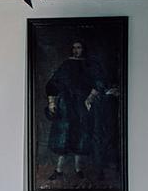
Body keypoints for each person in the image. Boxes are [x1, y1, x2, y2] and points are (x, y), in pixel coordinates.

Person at [44, 39, 106, 180]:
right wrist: (52, 102)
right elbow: (53, 83)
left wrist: (89, 99)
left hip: (82, 105)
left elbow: (99, 82)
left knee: (81, 135)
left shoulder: (90, 65)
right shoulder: (66, 65)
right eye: (74, 47)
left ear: (84, 49)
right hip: (65, 104)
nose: (76, 50)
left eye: (79, 47)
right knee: (63, 135)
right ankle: (58, 170)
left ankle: (78, 169)